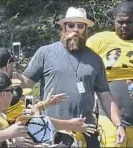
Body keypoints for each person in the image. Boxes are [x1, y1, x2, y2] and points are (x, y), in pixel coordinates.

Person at [14, 7, 126, 147]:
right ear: (63, 27)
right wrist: (14, 77)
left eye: (80, 26)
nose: (75, 29)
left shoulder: (95, 59)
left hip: (86, 129)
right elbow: (27, 83)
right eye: (71, 25)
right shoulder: (45, 53)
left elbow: (105, 96)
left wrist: (118, 125)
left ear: (86, 29)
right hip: (52, 129)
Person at [86, 1, 133, 147]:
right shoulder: (100, 40)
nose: (124, 26)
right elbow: (80, 67)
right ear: (114, 20)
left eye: (129, 22)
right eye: (120, 22)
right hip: (110, 115)